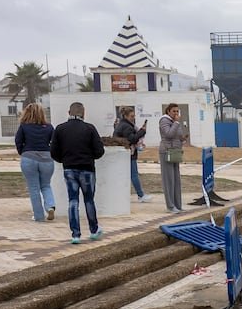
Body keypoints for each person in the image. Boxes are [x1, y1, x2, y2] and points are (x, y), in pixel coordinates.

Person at [49, 102, 104, 243]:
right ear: (83, 113)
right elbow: (99, 151)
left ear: (69, 112)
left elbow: (54, 152)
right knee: (89, 200)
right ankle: (94, 229)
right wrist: (90, 157)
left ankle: (75, 234)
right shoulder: (89, 128)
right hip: (87, 169)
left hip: (69, 169)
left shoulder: (60, 129)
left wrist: (64, 160)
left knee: (72, 200)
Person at [14, 103, 56, 222]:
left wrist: (23, 152)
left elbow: (18, 141)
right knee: (46, 185)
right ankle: (50, 206)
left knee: (34, 188)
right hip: (47, 159)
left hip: (29, 158)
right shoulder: (49, 127)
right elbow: (53, 143)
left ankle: (38, 216)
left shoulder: (24, 126)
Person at [113, 106, 150, 202]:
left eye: (134, 116)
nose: (133, 118)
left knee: (128, 174)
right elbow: (132, 139)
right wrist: (142, 131)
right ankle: (140, 195)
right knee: (134, 174)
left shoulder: (122, 124)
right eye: (131, 116)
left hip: (125, 153)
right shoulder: (126, 126)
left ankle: (125, 194)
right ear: (125, 116)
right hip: (129, 153)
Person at [158, 103, 188, 213]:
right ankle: (170, 206)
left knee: (176, 180)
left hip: (175, 151)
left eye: (177, 111)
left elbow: (177, 135)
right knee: (169, 180)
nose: (176, 113)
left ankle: (178, 205)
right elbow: (169, 134)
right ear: (168, 111)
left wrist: (182, 139)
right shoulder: (164, 121)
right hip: (166, 151)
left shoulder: (175, 122)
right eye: (174, 111)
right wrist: (176, 123)